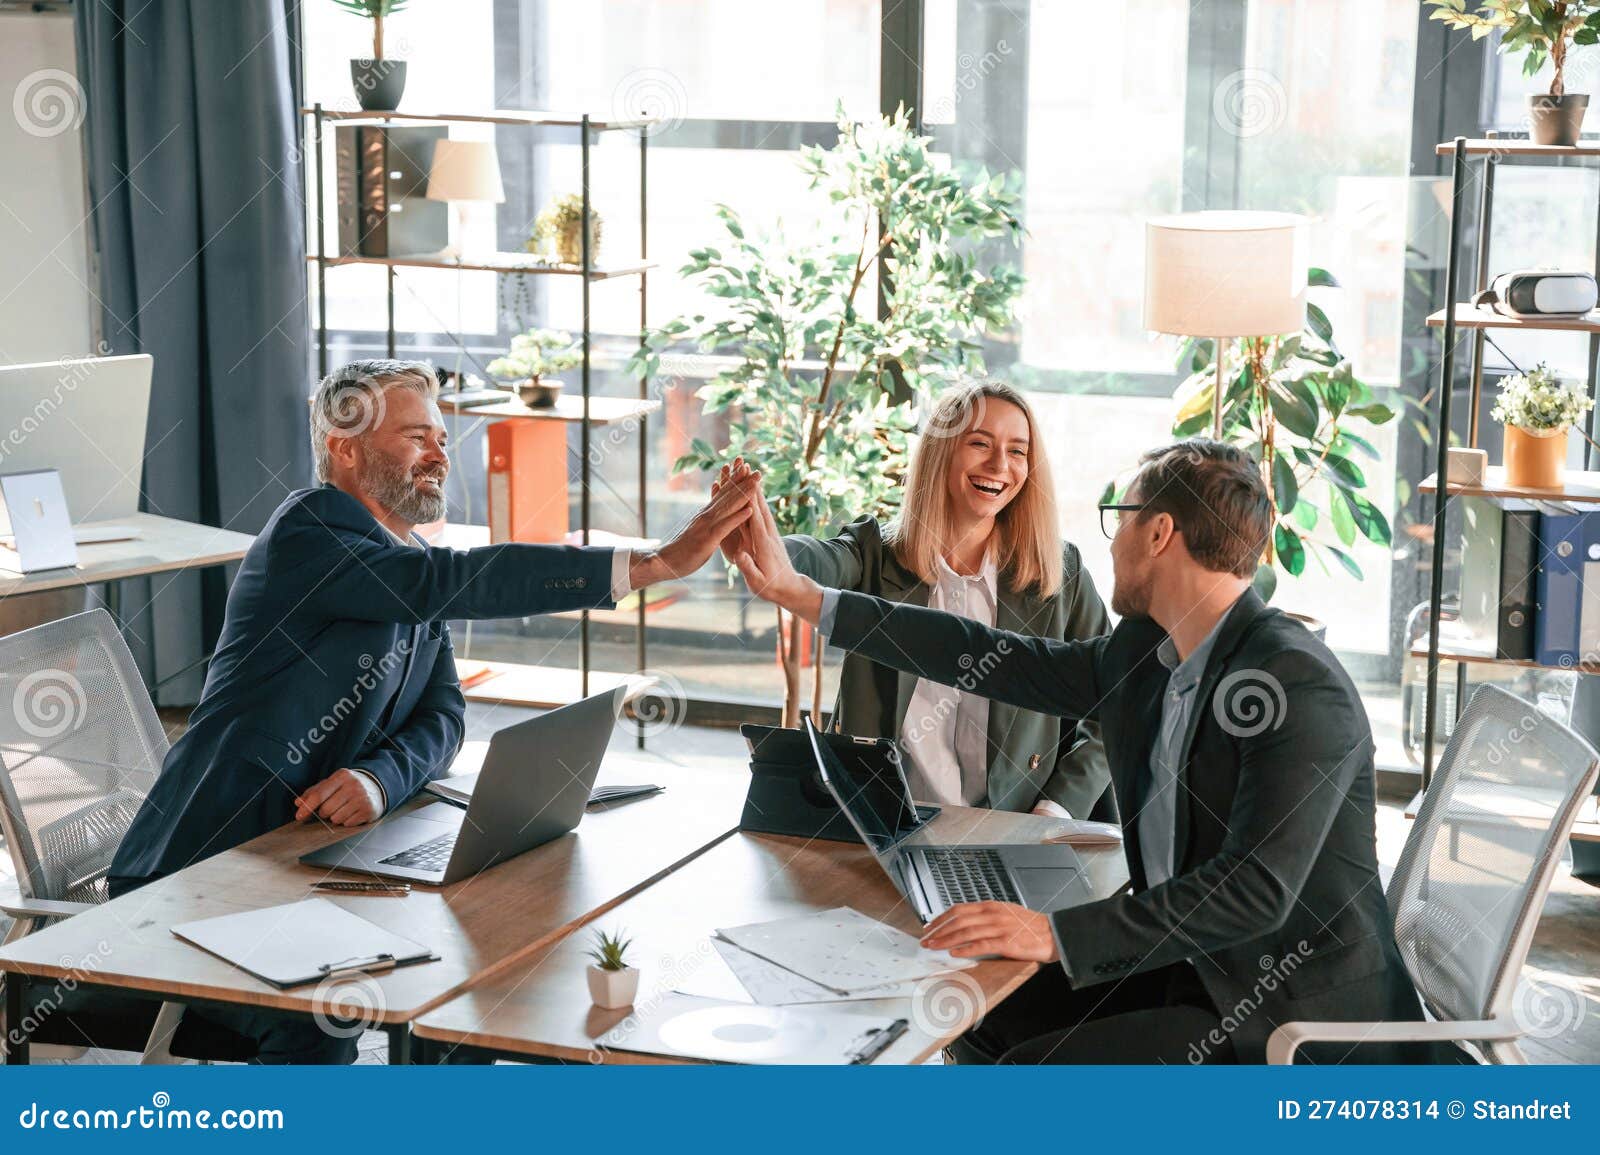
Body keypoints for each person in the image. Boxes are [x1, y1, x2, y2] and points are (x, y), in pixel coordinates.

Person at [107, 359, 758, 1062]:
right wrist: (653, 563)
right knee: (319, 1008)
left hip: (302, 859)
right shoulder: (308, 535)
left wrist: (379, 779)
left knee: (462, 975)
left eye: (442, 438)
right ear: (345, 447)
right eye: (416, 436)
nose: (440, 454)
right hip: (200, 873)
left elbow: (443, 716)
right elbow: (440, 584)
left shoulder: (407, 556)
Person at [722, 438, 1436, 1064]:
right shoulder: (1149, 651)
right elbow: (991, 655)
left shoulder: (1296, 684)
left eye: (1119, 519)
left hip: (1286, 1013)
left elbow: (1253, 892)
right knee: (975, 1008)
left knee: (1029, 1069)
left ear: (1159, 532)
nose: (1111, 542)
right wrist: (806, 596)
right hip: (1185, 968)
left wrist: (1054, 933)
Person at [720, 382, 1110, 817]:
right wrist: (764, 544)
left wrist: (1057, 807)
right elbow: (818, 560)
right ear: (940, 453)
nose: (1000, 464)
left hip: (1016, 828)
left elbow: (1115, 698)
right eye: (980, 443)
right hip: (882, 825)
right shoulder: (876, 551)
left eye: (1017, 451)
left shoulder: (1061, 572)